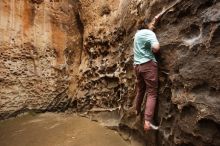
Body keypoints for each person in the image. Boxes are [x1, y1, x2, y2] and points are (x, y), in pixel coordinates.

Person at [133, 16, 160, 131]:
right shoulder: (149, 33)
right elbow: (156, 48)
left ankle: (137, 109)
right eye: (151, 24)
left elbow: (148, 32)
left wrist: (154, 20)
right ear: (147, 25)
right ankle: (148, 121)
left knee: (140, 89)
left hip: (137, 66)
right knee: (152, 93)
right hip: (148, 65)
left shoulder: (138, 34)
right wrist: (154, 44)